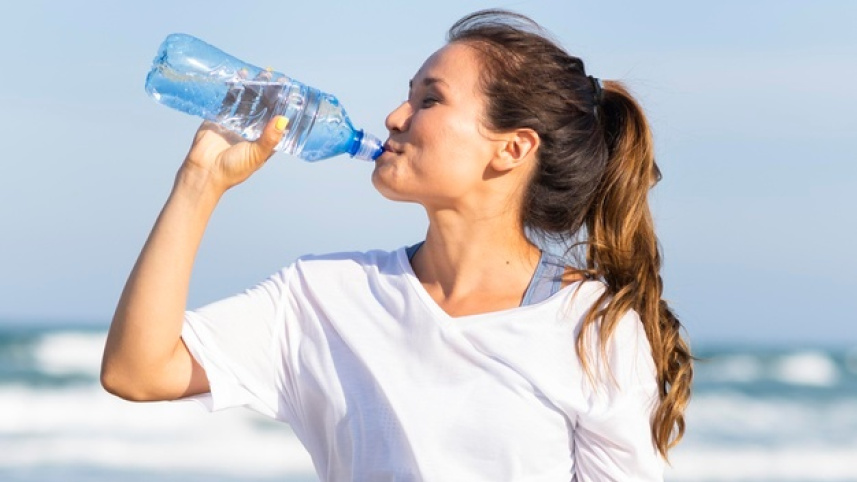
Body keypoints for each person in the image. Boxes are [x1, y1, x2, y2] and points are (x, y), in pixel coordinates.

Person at [102, 8, 693, 481]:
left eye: (429, 100)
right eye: (407, 94)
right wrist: (199, 183)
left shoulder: (594, 327)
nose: (393, 115)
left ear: (511, 148)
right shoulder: (320, 295)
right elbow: (139, 371)